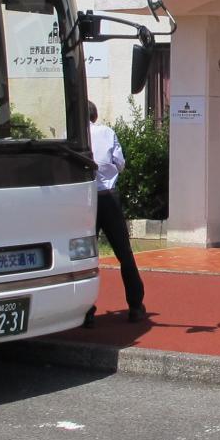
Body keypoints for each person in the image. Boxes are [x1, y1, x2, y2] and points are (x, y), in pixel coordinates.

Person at [89, 100, 147, 319]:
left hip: (83, 198)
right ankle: (135, 305)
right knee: (124, 253)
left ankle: (86, 310)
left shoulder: (71, 133)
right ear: (95, 115)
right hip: (108, 196)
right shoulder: (106, 132)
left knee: (85, 256)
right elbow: (120, 163)